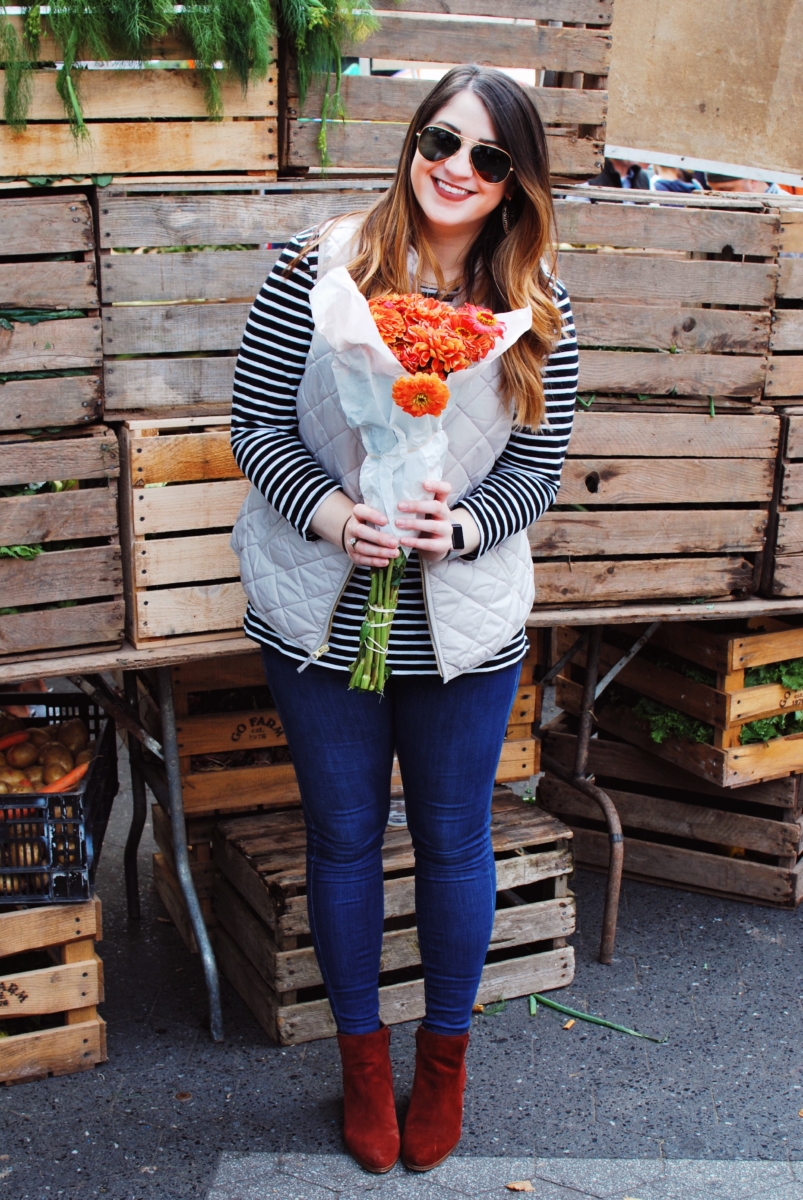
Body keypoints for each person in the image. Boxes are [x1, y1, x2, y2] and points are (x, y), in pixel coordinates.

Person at [230, 64, 577, 1175]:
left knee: (450, 840)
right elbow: (252, 425)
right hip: (325, 607)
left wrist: (461, 531)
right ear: (412, 141)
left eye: (487, 156)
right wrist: (337, 516)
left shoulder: (539, 311)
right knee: (340, 840)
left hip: (462, 621)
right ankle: (359, 1061)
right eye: (440, 140)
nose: (456, 169)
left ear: (516, 182)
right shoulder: (316, 267)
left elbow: (538, 467)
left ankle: (443, 1062)